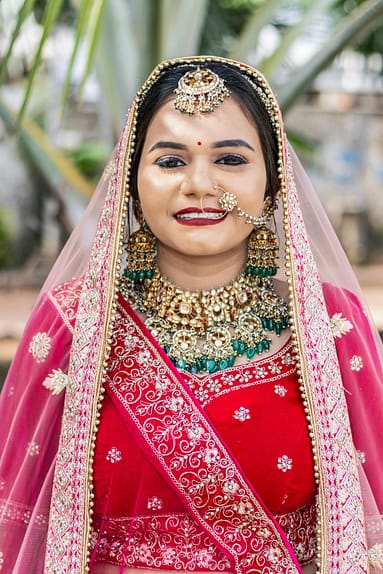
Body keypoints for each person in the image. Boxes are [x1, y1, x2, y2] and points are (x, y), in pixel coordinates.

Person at [0, 56, 382, 574]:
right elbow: (16, 522)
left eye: (230, 159)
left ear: (272, 186)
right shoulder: (72, 324)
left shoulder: (330, 324)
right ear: (132, 182)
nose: (200, 185)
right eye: (171, 161)